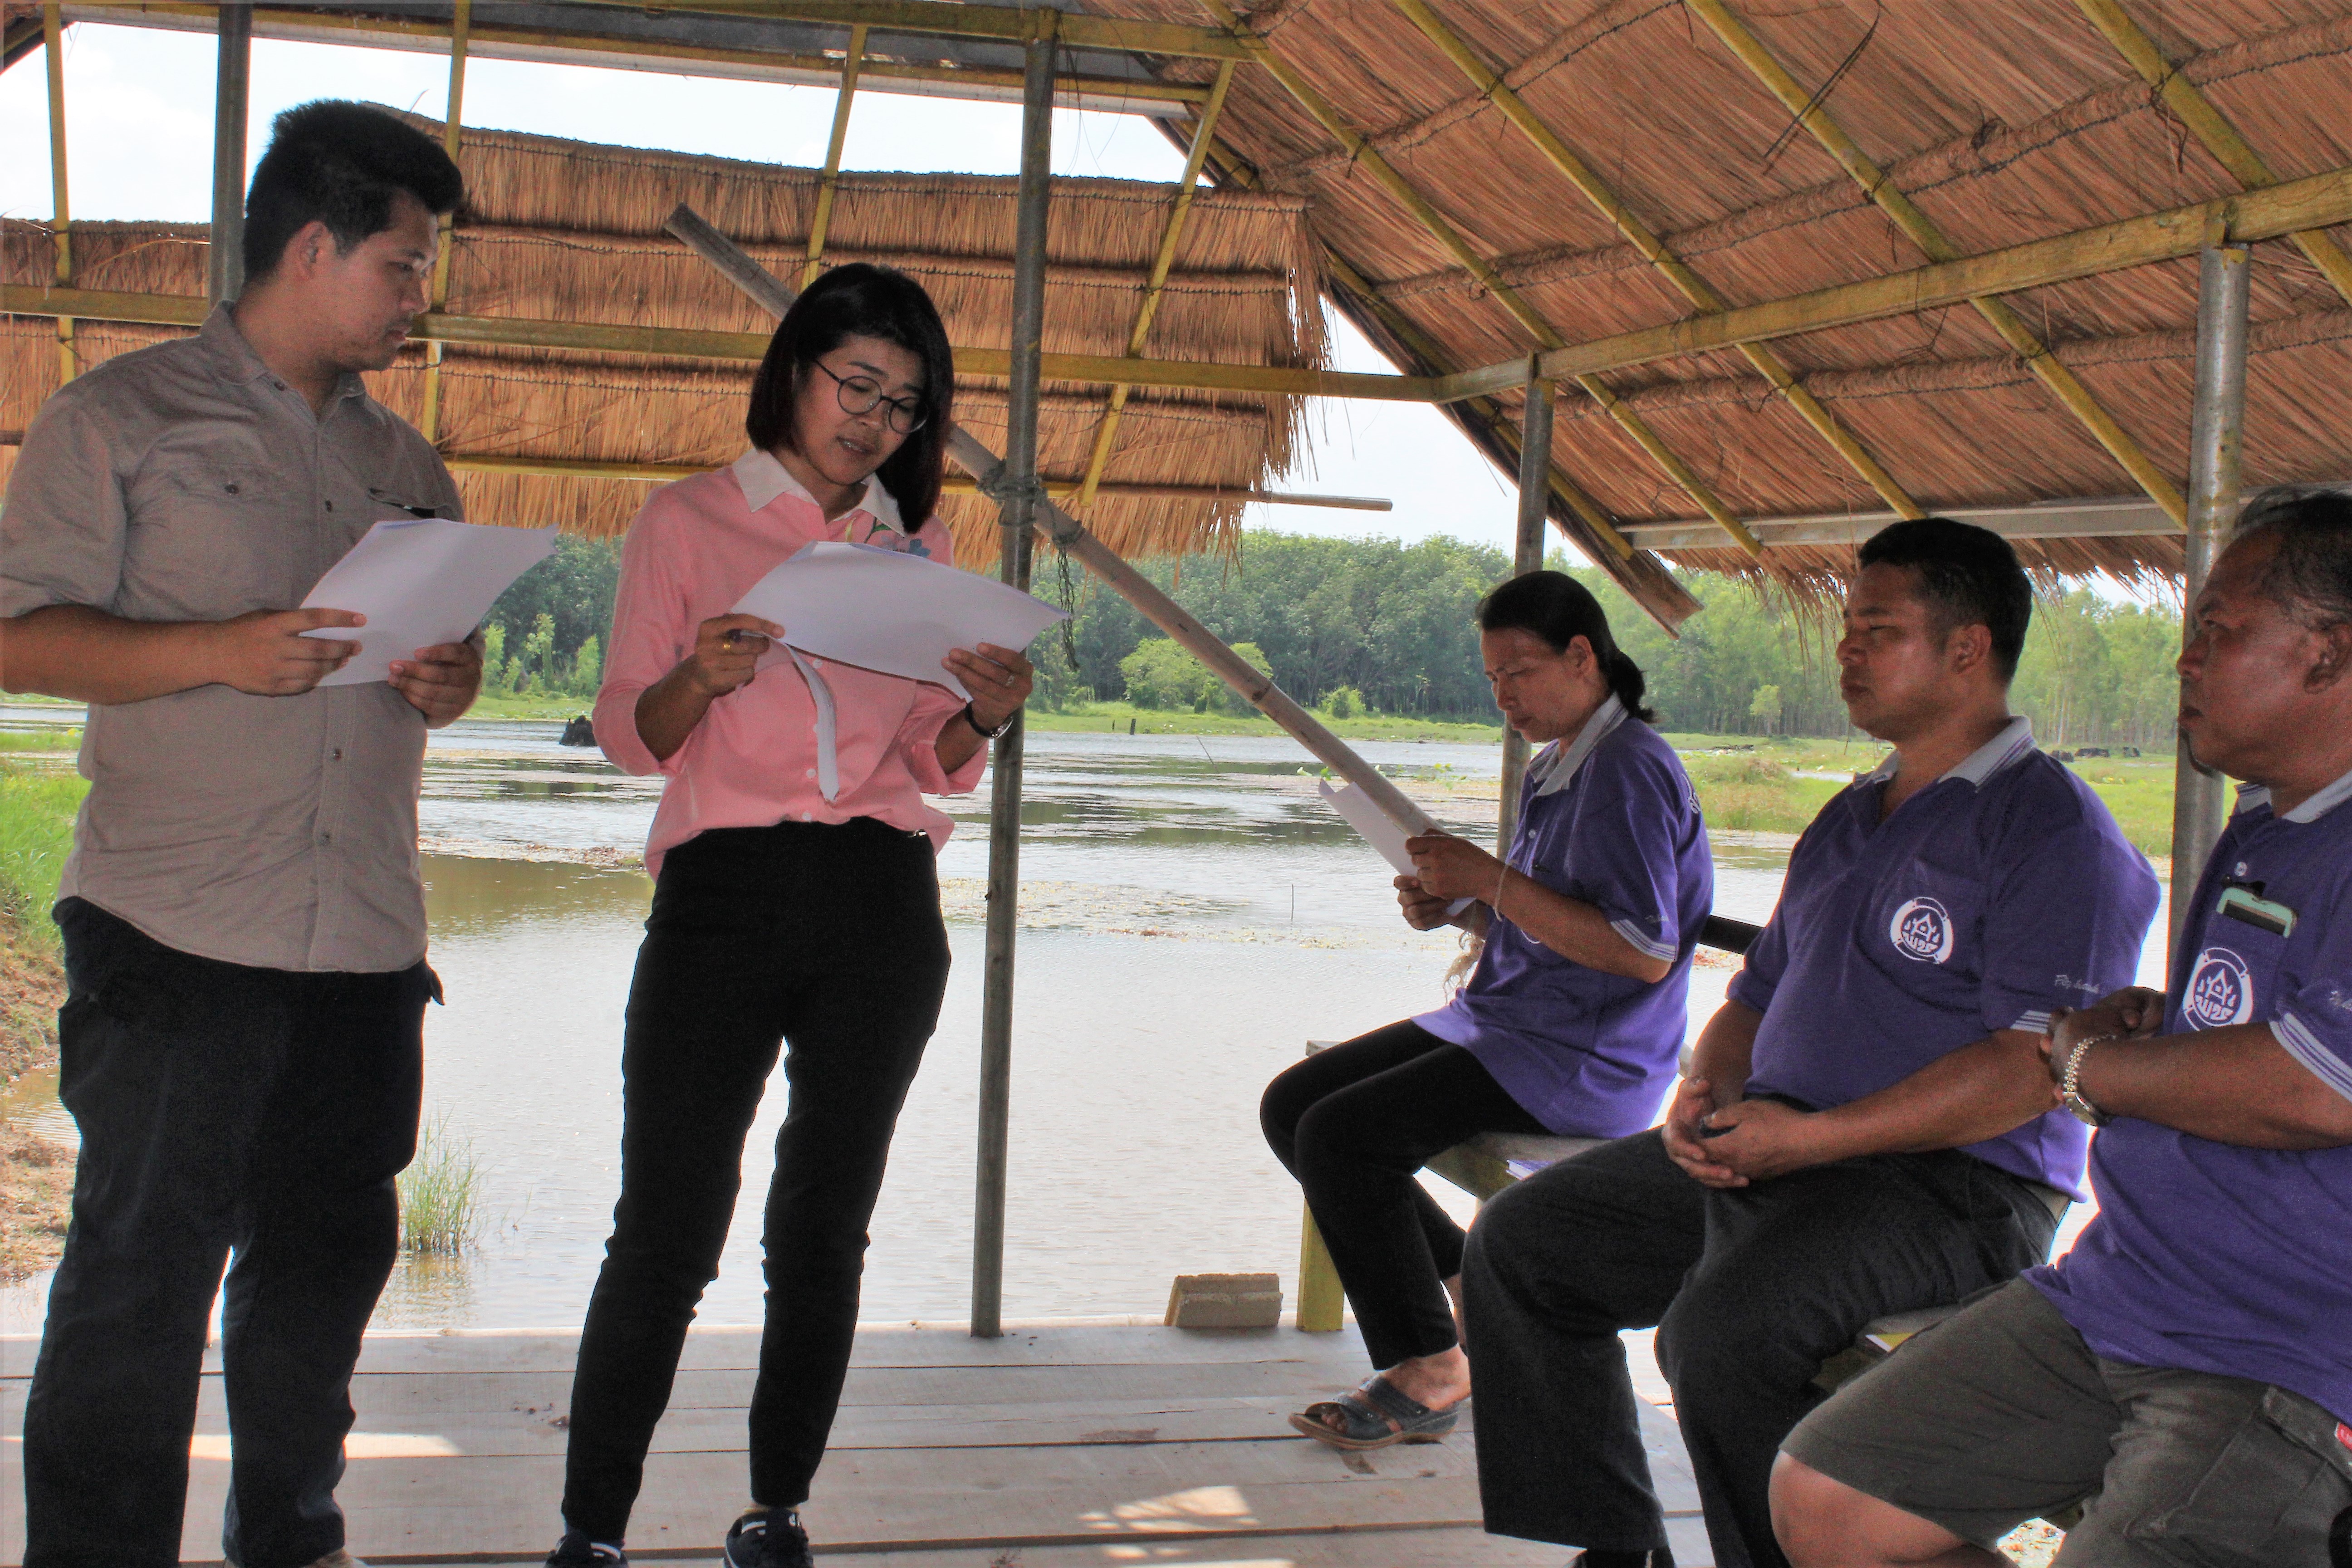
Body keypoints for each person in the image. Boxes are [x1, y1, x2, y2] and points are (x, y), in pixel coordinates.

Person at [1461, 518, 2161, 1568]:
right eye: (1847, 629)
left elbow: (2029, 1074)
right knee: (1523, 1244)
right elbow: (1756, 993)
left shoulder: (2053, 834)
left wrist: (1811, 1140)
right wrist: (1707, 1087)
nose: (1846, 651)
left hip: (1953, 1189)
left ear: (1968, 649)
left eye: (1877, 630)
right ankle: (1615, 1545)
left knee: (1720, 1337)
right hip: (1783, 1152)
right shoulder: (1852, 817)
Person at [0, 102, 476, 1568]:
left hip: (363, 938)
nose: (417, 299)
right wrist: (217, 646)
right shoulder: (119, 419)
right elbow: (21, 639)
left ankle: (293, 1536)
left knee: (325, 1276)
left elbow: (430, 671)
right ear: (314, 244)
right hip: (173, 929)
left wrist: (443, 677)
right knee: (138, 1282)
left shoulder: (416, 466)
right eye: (401, 266)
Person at [544, 263, 1033, 1568]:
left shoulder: (917, 550)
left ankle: (777, 1510)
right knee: (668, 1224)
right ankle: (592, 1530)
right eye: (855, 386)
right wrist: (698, 677)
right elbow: (630, 741)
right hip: (725, 897)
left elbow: (930, 764)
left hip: (882, 905)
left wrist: (981, 709)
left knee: (824, 1223)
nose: (873, 422)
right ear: (795, 371)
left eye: (905, 406)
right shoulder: (686, 523)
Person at [1773, 489, 2352, 1568]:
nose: (2186, 661)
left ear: (2327, 657)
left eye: (2219, 633)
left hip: (2286, 1344)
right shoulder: (2270, 818)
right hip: (2131, 1285)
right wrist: (2157, 1030)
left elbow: (2319, 1089)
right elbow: (2261, 1020)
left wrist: (2097, 1067)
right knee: (1831, 1496)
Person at [1261, 572, 1712, 1449]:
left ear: (1584, 656)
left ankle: (1431, 1361)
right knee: (1292, 1107)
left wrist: (1489, 881)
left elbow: (1644, 952)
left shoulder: (1630, 769)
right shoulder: (1562, 762)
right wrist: (1461, 905)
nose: (1506, 695)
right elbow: (1549, 909)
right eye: (1493, 679)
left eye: (1520, 672)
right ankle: (1473, 1281)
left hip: (1581, 1053)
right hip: (1509, 1022)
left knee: (1341, 1137)